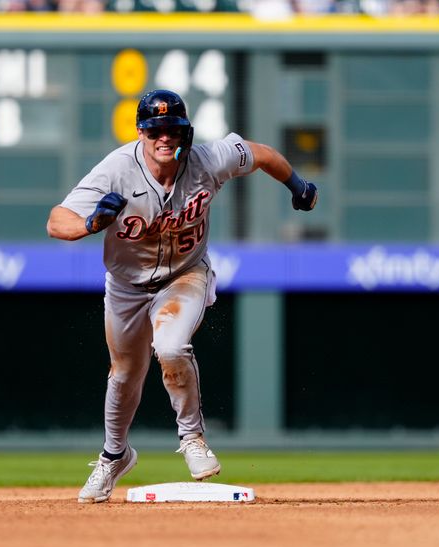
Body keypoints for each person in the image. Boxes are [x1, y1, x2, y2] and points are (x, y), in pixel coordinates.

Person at [47, 89, 318, 503]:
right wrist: (90, 222)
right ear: (141, 132)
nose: (165, 137)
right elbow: (56, 222)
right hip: (125, 285)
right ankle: (114, 456)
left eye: (172, 128)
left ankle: (192, 438)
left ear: (184, 131)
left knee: (170, 345)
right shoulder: (117, 169)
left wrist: (297, 185)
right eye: (155, 129)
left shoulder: (207, 160)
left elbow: (259, 153)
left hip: (185, 274)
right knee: (122, 374)